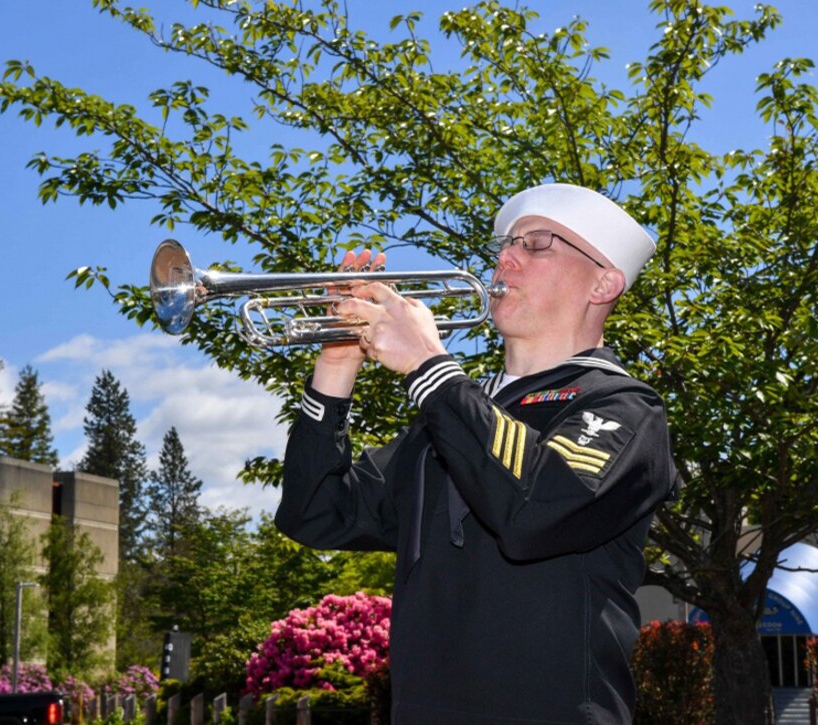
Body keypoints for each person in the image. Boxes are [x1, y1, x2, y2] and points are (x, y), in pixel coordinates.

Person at [275, 183, 678, 724]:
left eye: (537, 245)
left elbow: (537, 507)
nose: (504, 258)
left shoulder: (623, 406)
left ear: (604, 283)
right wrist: (335, 368)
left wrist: (430, 367)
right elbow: (315, 514)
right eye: (506, 244)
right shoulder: (453, 417)